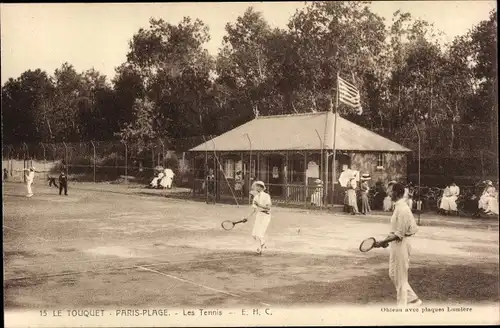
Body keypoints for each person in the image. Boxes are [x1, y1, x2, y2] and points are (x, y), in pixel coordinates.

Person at [375, 183, 421, 307]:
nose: (388, 193)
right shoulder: (398, 207)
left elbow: (400, 233)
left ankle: (402, 307)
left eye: (390, 191)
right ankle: (413, 300)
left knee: (400, 277)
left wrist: (384, 242)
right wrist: (385, 241)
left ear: (396, 192)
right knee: (393, 274)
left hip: (402, 244)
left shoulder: (403, 209)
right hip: (396, 244)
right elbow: (395, 231)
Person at [250, 181, 272, 255]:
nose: (256, 187)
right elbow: (254, 210)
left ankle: (261, 248)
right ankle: (262, 246)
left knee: (259, 234)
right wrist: (247, 217)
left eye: (258, 186)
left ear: (261, 187)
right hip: (259, 215)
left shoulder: (266, 196)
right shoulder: (255, 197)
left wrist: (259, 205)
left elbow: (268, 207)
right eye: (256, 186)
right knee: (254, 234)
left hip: (266, 215)